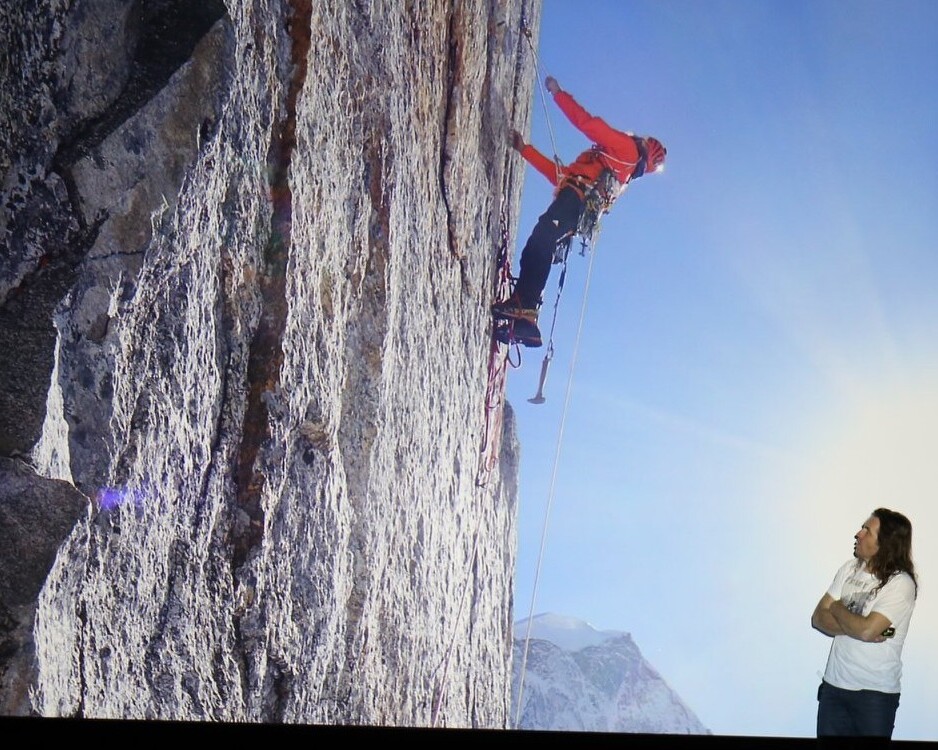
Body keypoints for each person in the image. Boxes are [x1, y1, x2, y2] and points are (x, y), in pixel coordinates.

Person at [493, 75, 667, 347]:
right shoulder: (618, 173)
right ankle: (523, 313)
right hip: (574, 202)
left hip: (573, 200)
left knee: (540, 242)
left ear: (644, 146)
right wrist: (524, 150)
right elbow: (561, 176)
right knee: (539, 243)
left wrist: (558, 93)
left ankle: (525, 309)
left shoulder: (627, 151)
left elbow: (589, 124)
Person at [811, 508, 918, 744]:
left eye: (867, 530)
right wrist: (860, 626)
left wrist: (839, 608)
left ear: (885, 542)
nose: (858, 534)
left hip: (875, 697)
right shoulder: (848, 569)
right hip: (833, 689)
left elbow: (868, 630)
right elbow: (818, 618)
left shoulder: (901, 583)